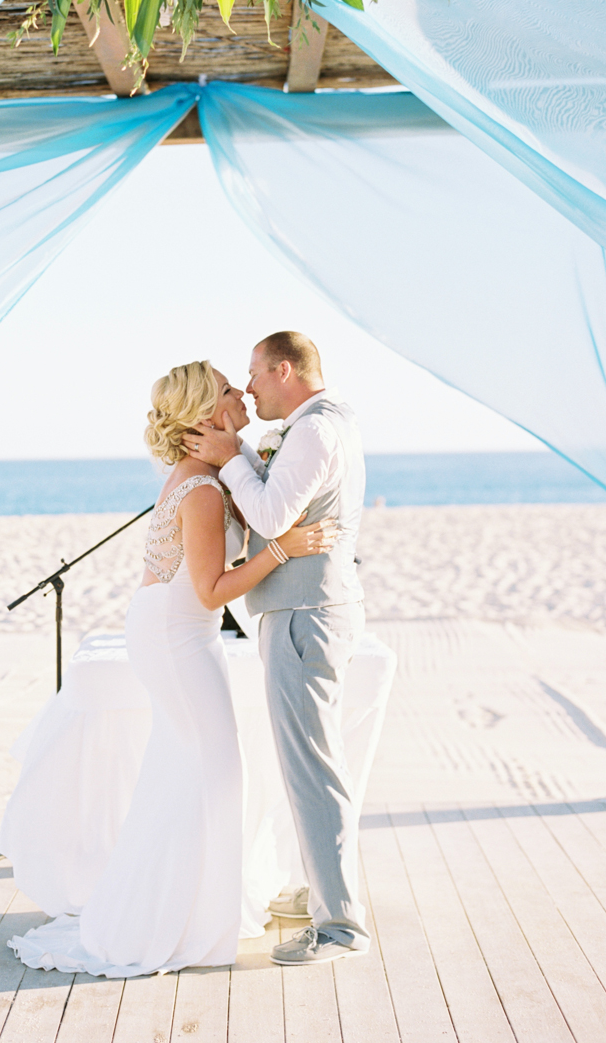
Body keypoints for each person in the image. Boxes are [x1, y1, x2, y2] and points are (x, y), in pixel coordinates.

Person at [7, 360, 338, 978]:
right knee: (216, 772)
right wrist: (280, 550)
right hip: (178, 633)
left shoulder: (201, 476)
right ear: (207, 413)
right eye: (226, 389)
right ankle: (176, 917)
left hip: (173, 627)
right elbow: (213, 590)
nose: (241, 392)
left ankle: (175, 906)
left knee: (186, 769)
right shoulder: (205, 489)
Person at [182, 332, 372, 966]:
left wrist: (234, 455)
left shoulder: (315, 431)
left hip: (303, 616)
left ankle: (340, 926)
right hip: (304, 611)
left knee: (312, 771)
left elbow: (270, 513)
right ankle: (325, 899)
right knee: (312, 767)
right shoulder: (318, 426)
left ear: (284, 370)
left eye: (255, 374)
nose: (251, 386)